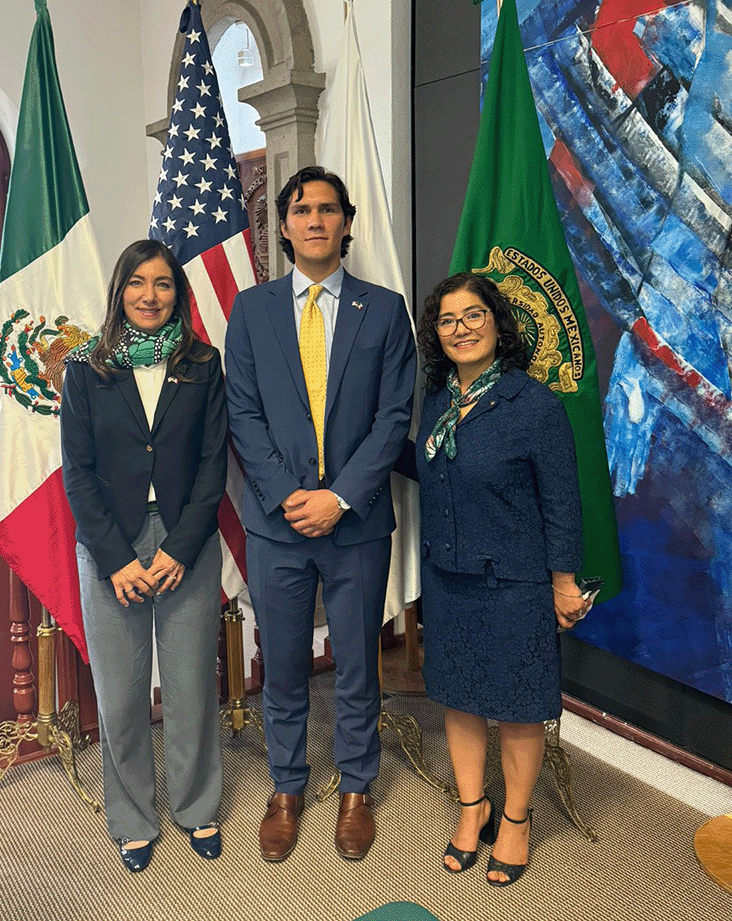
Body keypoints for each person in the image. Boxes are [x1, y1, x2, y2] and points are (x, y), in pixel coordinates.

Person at [225, 166, 416, 862]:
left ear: (344, 221)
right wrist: (288, 496)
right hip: (277, 526)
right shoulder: (251, 311)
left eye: (327, 208)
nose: (313, 219)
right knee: (281, 663)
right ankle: (286, 787)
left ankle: (357, 787)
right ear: (282, 226)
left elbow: (395, 416)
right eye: (300, 209)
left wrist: (338, 496)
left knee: (360, 663)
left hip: (357, 522)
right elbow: (242, 414)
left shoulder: (385, 309)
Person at [60, 239, 227, 873]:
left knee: (188, 686)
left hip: (186, 540)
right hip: (113, 547)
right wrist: (115, 559)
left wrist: (182, 547)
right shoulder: (86, 367)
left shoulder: (203, 365)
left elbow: (214, 467)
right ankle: (132, 814)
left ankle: (194, 805)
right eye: (137, 282)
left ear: (177, 295)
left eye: (162, 284)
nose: (149, 296)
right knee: (122, 692)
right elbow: (77, 473)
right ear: (119, 290)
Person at [416, 272, 584, 887]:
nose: (460, 329)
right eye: (447, 320)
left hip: (513, 582)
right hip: (447, 575)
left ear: (497, 322)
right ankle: (472, 807)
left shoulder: (534, 405)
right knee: (459, 697)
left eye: (473, 316)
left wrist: (564, 583)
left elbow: (563, 504)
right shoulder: (437, 400)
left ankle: (515, 817)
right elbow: (428, 471)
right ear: (437, 334)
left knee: (517, 706)